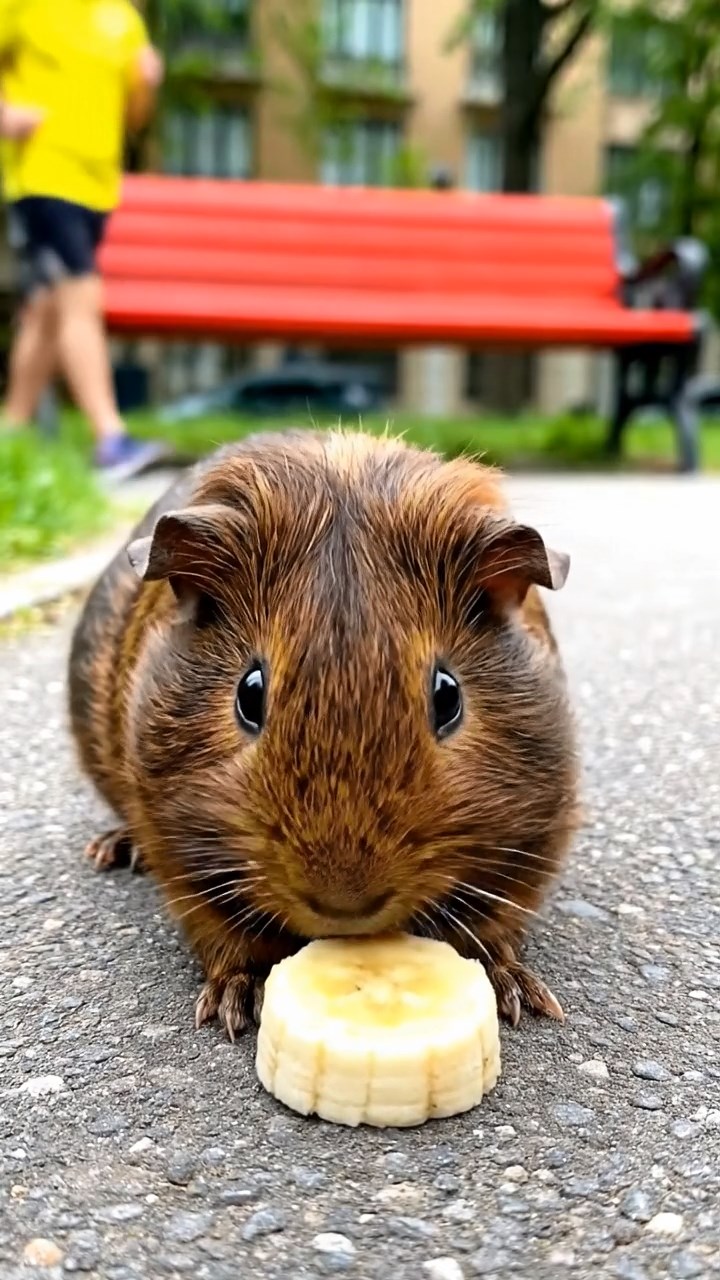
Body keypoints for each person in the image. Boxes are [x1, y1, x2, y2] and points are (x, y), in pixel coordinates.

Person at [0, 0, 168, 478]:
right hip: (43, 175)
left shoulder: (123, 18)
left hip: (97, 185)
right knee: (81, 296)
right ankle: (109, 438)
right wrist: (5, 114)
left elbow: (135, 117)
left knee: (46, 311)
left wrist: (145, 84)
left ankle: (10, 431)